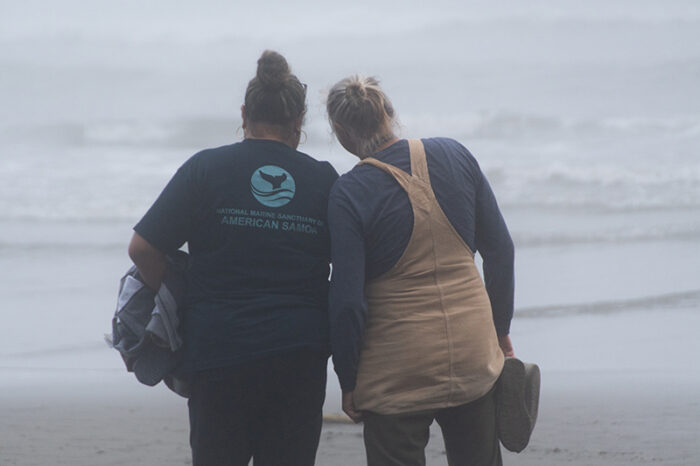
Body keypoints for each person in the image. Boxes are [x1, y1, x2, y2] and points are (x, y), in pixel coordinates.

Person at [128, 50, 338, 466]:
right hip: (298, 357)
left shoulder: (205, 169)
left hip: (218, 352)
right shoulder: (323, 180)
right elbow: (351, 269)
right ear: (299, 120)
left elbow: (142, 248)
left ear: (244, 114)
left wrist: (176, 297)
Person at [326, 75, 515, 466]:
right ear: (389, 114)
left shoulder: (349, 192)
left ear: (341, 134)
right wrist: (500, 333)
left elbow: (347, 303)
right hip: (472, 355)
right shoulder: (455, 154)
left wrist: (348, 380)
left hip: (396, 373)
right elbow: (500, 252)